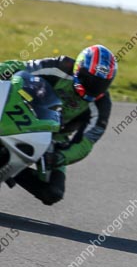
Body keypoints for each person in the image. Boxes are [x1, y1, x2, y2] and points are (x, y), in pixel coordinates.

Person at [0, 45, 116, 205]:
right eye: (87, 78)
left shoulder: (101, 105)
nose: (92, 86)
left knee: (52, 193)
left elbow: (86, 143)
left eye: (100, 84)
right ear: (78, 68)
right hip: (26, 112)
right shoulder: (60, 66)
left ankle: (11, 171)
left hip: (53, 138)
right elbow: (20, 67)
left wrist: (59, 158)